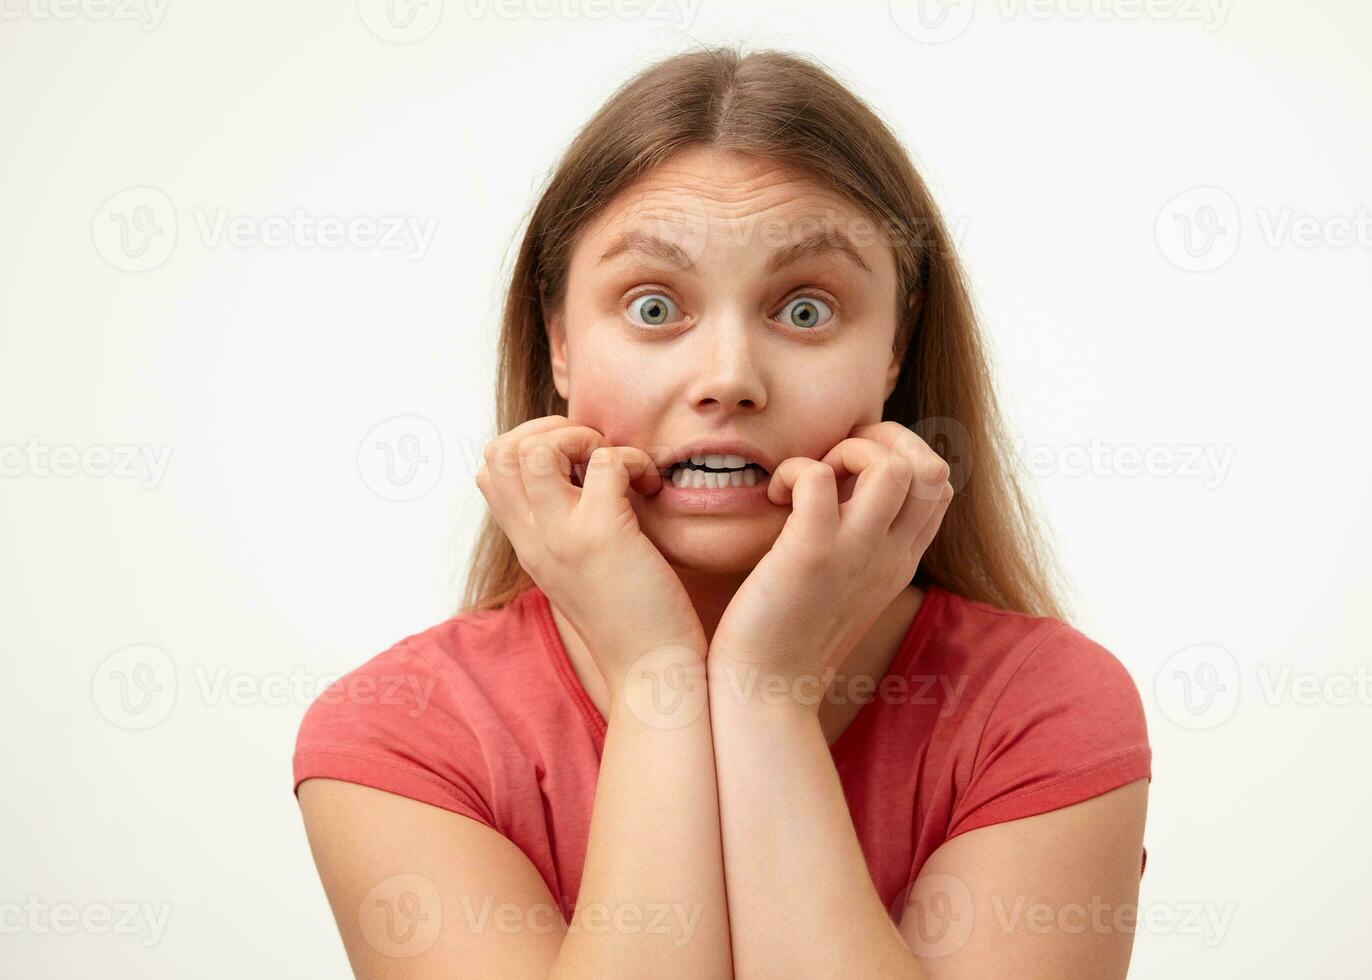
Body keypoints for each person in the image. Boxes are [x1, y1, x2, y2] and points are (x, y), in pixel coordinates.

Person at [293, 44, 1151, 979]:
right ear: (559, 344)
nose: (729, 380)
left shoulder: (1037, 708)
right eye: (655, 307)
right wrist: (659, 672)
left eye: (808, 311)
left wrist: (763, 692)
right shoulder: (403, 732)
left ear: (896, 350)